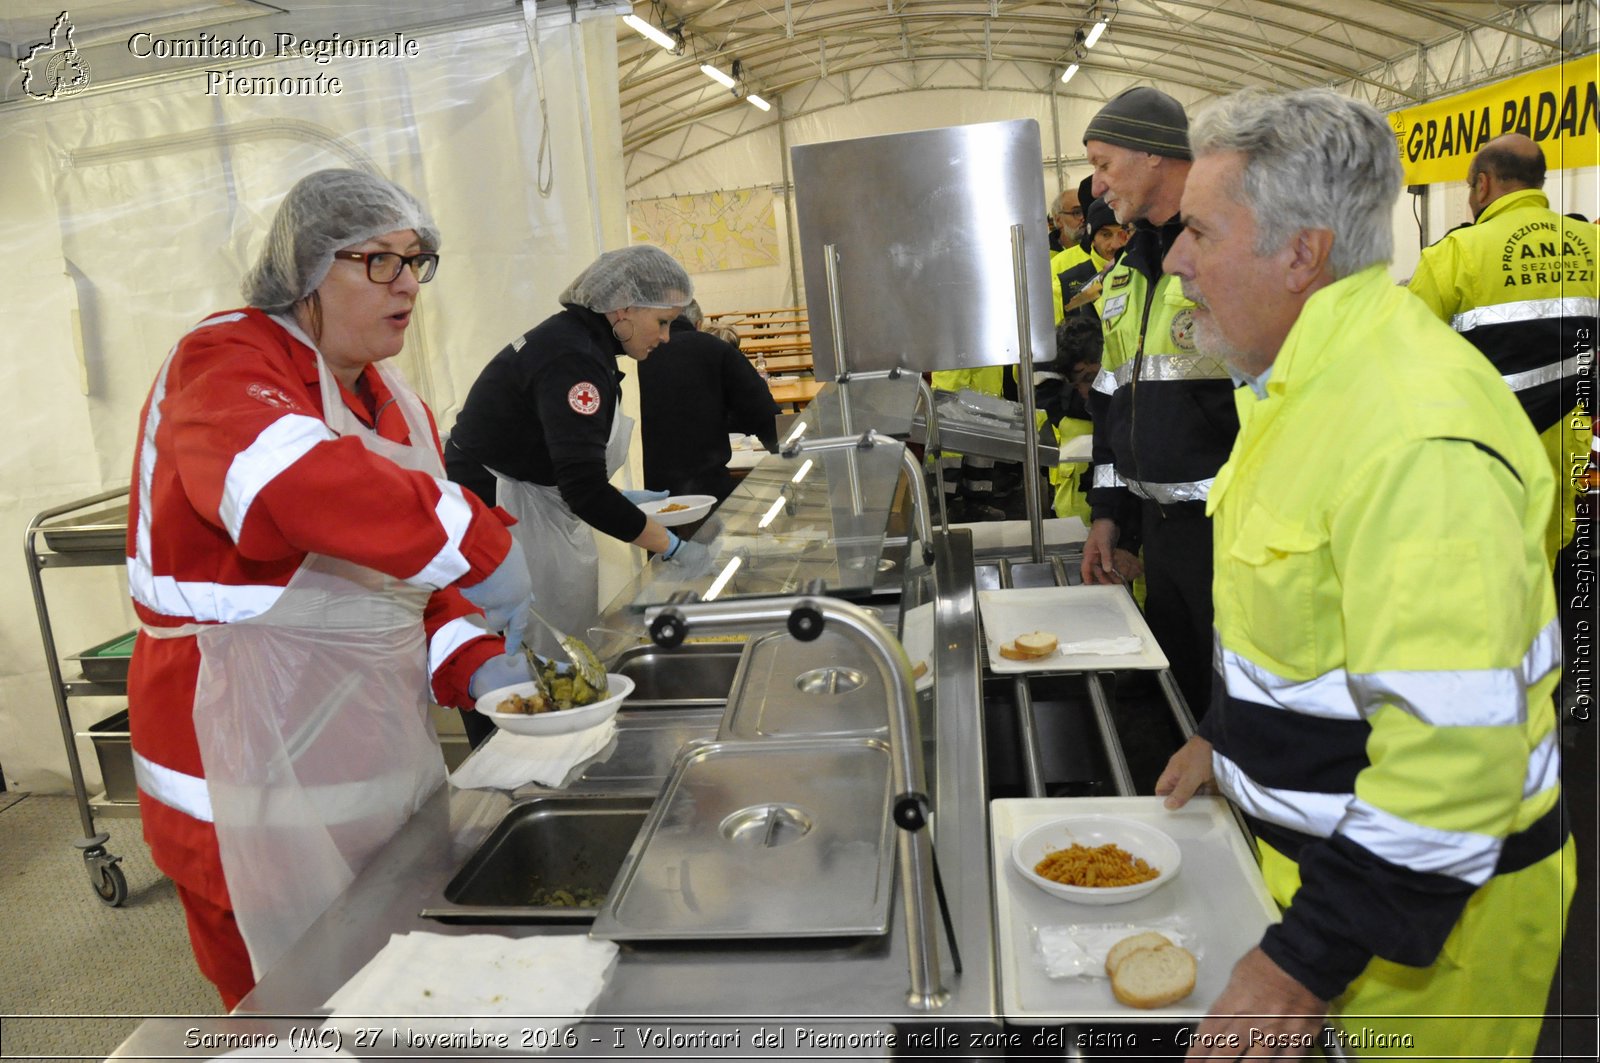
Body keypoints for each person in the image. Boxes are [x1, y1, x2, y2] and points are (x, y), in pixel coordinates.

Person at [1157, 88, 1574, 1058]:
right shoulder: (1297, 386)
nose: (1176, 262)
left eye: (1199, 232)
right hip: (1332, 887)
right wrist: (1228, 738)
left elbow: (1456, 756)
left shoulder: (1410, 432)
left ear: (1299, 253)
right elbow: (1305, 621)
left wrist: (1303, 960)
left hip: (1420, 941)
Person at [125, 169, 540, 1008]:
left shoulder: (397, 405)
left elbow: (396, 589)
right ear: (307, 270)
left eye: (417, 262)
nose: (407, 286)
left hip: (374, 772)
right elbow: (288, 482)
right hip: (240, 779)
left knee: (387, 991)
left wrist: (477, 660)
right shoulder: (223, 360)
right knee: (286, 1010)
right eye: (380, 261)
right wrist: (475, 537)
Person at [445, 246, 708, 666]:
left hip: (529, 495)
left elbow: (572, 467)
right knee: (518, 648)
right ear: (623, 309)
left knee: (548, 644)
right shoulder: (574, 359)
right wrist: (672, 547)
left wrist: (616, 501)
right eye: (662, 322)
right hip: (499, 503)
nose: (665, 337)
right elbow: (583, 489)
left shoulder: (578, 342)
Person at [1079, 85, 1237, 717]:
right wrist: (1110, 513)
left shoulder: (1228, 252)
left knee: (1241, 705)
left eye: (1103, 163)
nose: (1095, 187)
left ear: (1153, 157)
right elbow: (1115, 403)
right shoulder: (1128, 270)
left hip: (1232, 536)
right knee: (1185, 703)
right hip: (1163, 536)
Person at [1406, 133, 1597, 562]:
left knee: (1489, 577)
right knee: (1544, 565)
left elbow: (1403, 358)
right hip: (1566, 441)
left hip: (1483, 447)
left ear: (1484, 184)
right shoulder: (1592, 244)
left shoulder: (1454, 254)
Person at [637, 300, 779, 501]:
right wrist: (790, 458)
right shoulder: (717, 350)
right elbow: (763, 414)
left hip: (642, 492)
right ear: (698, 325)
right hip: (707, 490)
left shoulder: (634, 352)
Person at [1057, 197, 1131, 320]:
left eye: (1124, 234)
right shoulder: (1062, 286)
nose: (1116, 244)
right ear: (1092, 239)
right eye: (1106, 235)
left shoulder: (1144, 277)